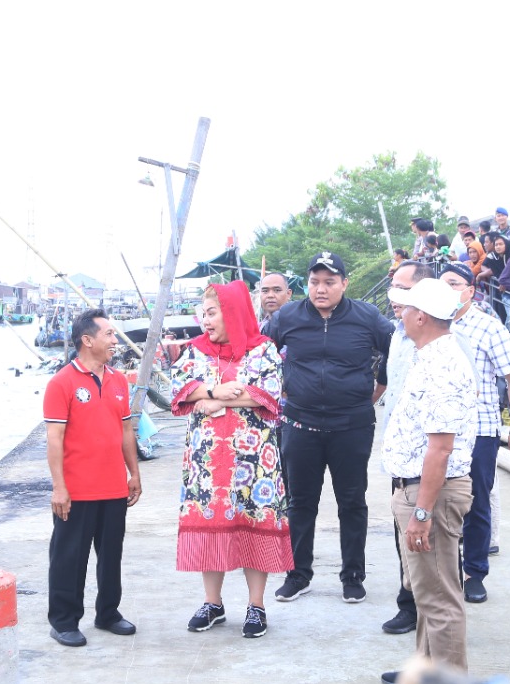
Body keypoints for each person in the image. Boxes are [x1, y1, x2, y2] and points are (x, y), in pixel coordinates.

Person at [267, 251, 393, 603]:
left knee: (351, 501)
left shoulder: (367, 316)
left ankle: (353, 575)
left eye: (329, 282)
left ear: (344, 283)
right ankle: (298, 574)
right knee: (300, 501)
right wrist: (280, 386)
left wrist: (380, 385)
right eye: (314, 282)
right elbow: (260, 354)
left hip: (351, 425)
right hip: (300, 423)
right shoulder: (287, 316)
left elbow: (398, 349)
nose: (320, 289)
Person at [171, 283, 292, 638]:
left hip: (254, 459)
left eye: (212, 313)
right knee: (209, 523)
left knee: (254, 519)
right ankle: (213, 603)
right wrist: (213, 391)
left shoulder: (263, 349)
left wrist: (216, 402)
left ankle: (256, 605)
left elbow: (267, 395)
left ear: (233, 312)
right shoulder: (195, 350)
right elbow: (179, 389)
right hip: (207, 461)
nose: (205, 321)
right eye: (204, 314)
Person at [379, 279, 477, 684]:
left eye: (405, 308)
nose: (399, 314)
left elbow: (440, 449)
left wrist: (421, 512)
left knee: (438, 597)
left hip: (430, 490)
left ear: (421, 316)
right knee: (427, 592)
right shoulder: (432, 355)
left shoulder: (441, 364)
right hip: (420, 487)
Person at [44, 308, 143, 647]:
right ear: (87, 340)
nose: (115, 340)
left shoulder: (118, 381)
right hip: (77, 490)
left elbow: (126, 430)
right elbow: (55, 439)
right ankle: (63, 621)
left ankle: (108, 613)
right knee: (69, 557)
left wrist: (134, 473)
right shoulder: (61, 383)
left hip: (113, 487)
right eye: (109, 334)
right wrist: (59, 488)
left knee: (111, 555)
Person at [443, 262, 510, 605]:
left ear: (470, 290)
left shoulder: (488, 327)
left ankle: (474, 572)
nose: (447, 290)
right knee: (438, 500)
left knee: (477, 501)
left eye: (453, 284)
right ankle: (443, 571)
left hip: (478, 429)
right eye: (442, 283)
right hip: (438, 428)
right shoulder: (431, 324)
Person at [380, 260, 437, 635]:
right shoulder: (397, 335)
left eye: (402, 288)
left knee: (433, 540)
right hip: (400, 457)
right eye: (393, 287)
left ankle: (436, 615)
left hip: (429, 457)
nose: (393, 295)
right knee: (406, 535)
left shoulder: (441, 339)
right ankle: (409, 605)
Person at [477, 234, 510, 324]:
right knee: (500, 311)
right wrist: (487, 272)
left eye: (501, 244)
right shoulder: (492, 256)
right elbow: (485, 267)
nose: (484, 244)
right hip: (498, 288)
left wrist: (482, 274)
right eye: (497, 244)